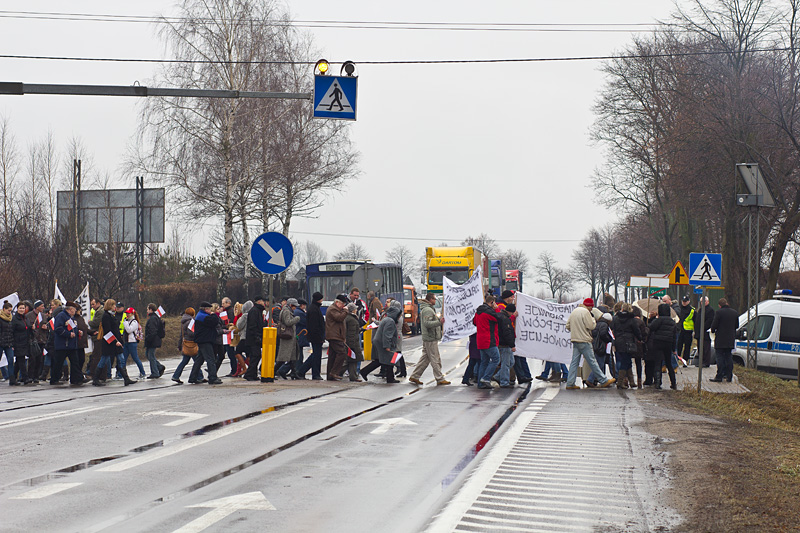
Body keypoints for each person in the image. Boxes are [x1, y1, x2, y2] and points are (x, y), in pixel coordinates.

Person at [565, 298, 615, 390]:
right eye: (591, 307)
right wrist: (592, 318)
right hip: (584, 340)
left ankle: (570, 383)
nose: (591, 309)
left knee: (574, 363)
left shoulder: (574, 311)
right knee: (593, 361)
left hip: (575, 340)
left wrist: (576, 330)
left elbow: (567, 326)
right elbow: (591, 326)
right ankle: (603, 380)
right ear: (589, 306)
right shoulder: (586, 313)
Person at [409, 292, 449, 386]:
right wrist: (439, 322)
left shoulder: (429, 309)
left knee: (425, 359)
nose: (435, 300)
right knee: (435, 358)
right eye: (434, 299)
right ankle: (439, 378)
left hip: (429, 337)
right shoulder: (428, 310)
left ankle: (415, 376)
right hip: (430, 338)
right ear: (430, 299)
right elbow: (427, 324)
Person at [93, 299, 136, 386]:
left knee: (121, 359)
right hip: (110, 343)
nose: (115, 307)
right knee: (103, 359)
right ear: (110, 306)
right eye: (113, 305)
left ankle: (126, 378)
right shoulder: (106, 316)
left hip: (116, 342)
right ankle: (95, 379)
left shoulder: (111, 315)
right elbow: (108, 331)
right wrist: (115, 341)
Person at [360, 304, 402, 383]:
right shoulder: (390, 322)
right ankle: (390, 378)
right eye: (398, 315)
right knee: (389, 360)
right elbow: (387, 335)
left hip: (378, 342)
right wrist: (387, 346)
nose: (399, 317)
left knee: (380, 360)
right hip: (383, 343)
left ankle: (365, 372)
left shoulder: (386, 319)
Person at [188, 302, 223, 385]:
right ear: (206, 309)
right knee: (210, 359)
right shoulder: (203, 316)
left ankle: (193, 377)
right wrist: (214, 314)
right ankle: (212, 377)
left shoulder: (201, 315)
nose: (211, 311)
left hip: (203, 340)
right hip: (205, 341)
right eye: (209, 309)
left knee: (199, 360)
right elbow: (214, 321)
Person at [51, 301, 84, 385]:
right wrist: (68, 334)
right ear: (70, 309)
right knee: (58, 363)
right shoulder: (61, 316)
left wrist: (77, 332)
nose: (75, 311)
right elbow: (58, 328)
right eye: (74, 309)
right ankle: (54, 379)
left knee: (75, 362)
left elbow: (73, 328)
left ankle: (76, 379)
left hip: (71, 345)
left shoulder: (71, 317)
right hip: (63, 345)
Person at [473, 294, 501, 390]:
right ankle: (486, 378)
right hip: (489, 340)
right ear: (492, 302)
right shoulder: (489, 312)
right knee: (496, 359)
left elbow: (474, 322)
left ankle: (481, 383)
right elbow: (499, 318)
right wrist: (496, 309)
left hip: (480, 340)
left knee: (484, 362)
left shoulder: (478, 312)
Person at [611, 302, 640, 389]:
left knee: (627, 361)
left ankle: (631, 382)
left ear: (622, 309)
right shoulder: (632, 319)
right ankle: (620, 382)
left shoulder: (615, 318)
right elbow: (636, 331)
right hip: (629, 342)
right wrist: (640, 338)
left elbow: (612, 327)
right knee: (625, 361)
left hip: (619, 342)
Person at [647, 303, 677, 390]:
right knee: (669, 363)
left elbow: (651, 327)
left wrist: (652, 318)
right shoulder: (672, 322)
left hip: (658, 343)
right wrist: (673, 348)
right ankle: (673, 383)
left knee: (658, 363)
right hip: (668, 343)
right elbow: (674, 336)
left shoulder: (658, 320)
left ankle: (657, 383)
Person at [710, 298, 739, 382]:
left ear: (719, 305)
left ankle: (719, 376)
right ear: (727, 303)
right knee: (728, 357)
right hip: (730, 339)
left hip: (720, 340)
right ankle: (729, 376)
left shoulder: (719, 312)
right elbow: (736, 326)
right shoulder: (735, 313)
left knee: (720, 357)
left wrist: (712, 330)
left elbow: (714, 325)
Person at [297, 292, 324, 380]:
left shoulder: (314, 308)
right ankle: (310, 373)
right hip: (316, 337)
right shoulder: (314, 309)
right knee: (316, 356)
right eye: (321, 299)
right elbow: (314, 325)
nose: (322, 300)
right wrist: (319, 336)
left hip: (315, 336)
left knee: (315, 355)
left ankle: (302, 371)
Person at [172, 307, 200, 384]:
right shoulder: (191, 321)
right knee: (197, 361)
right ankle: (200, 377)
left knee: (185, 361)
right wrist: (198, 335)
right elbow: (191, 333)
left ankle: (176, 376)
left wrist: (179, 345)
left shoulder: (184, 321)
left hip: (185, 343)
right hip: (192, 344)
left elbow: (182, 335)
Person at [276, 298, 302, 379]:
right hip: (287, 337)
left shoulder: (287, 310)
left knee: (292, 356)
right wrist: (296, 319)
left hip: (290, 337)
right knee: (284, 356)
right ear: (291, 305)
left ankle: (293, 372)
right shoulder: (286, 311)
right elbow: (288, 322)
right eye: (294, 306)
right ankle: (275, 371)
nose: (295, 308)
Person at [325, 295, 349, 381]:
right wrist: (346, 311)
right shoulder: (332, 309)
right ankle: (334, 372)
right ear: (337, 302)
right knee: (341, 353)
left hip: (336, 335)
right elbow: (339, 318)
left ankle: (330, 376)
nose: (343, 306)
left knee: (332, 355)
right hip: (334, 335)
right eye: (342, 304)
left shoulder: (337, 309)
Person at [243, 296, 267, 381]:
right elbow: (253, 325)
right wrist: (257, 336)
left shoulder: (257, 311)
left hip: (254, 337)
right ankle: (249, 374)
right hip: (253, 338)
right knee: (256, 356)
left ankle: (252, 374)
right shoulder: (254, 311)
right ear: (259, 301)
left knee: (255, 356)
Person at [587, 312, 614, 387]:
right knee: (599, 364)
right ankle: (590, 379)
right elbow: (603, 334)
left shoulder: (598, 323)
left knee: (599, 363)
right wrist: (609, 339)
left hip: (596, 345)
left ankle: (601, 380)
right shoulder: (604, 325)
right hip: (601, 346)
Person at [495, 302, 517, 388]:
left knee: (510, 362)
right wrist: (512, 345)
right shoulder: (505, 319)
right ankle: (504, 381)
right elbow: (507, 333)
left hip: (500, 342)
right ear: (510, 312)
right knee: (506, 363)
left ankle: (497, 376)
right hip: (505, 344)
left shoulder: (500, 316)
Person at [10, 301, 33, 385]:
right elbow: (11, 331)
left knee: (18, 362)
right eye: (20, 308)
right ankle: (25, 378)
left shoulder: (25, 318)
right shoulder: (14, 319)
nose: (22, 310)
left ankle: (13, 377)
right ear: (17, 309)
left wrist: (31, 328)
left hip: (25, 342)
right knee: (21, 360)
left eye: (23, 308)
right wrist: (12, 343)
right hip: (18, 342)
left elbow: (26, 327)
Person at [25, 300, 46, 382]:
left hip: (41, 340)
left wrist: (46, 327)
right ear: (37, 307)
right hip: (33, 340)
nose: (43, 308)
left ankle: (36, 376)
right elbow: (26, 326)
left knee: (39, 359)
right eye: (42, 306)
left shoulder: (43, 316)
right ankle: (30, 376)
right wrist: (31, 327)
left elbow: (46, 325)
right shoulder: (29, 315)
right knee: (32, 359)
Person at [122, 308, 147, 379]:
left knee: (135, 358)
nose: (127, 315)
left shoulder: (134, 322)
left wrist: (125, 323)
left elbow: (129, 330)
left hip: (132, 343)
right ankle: (122, 374)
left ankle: (143, 373)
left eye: (128, 313)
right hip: (126, 342)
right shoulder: (128, 321)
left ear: (132, 314)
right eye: (126, 313)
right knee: (123, 359)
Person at [343, 303, 364, 382]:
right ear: (353, 310)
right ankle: (338, 373)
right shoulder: (351, 319)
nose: (356, 310)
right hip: (353, 342)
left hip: (352, 341)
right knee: (352, 360)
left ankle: (353, 376)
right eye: (355, 309)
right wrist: (351, 345)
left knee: (351, 360)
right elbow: (351, 333)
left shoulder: (350, 318)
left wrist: (360, 330)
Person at [144, 303, 166, 378]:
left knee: (151, 356)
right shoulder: (155, 317)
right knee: (148, 355)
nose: (147, 311)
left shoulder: (153, 318)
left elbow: (152, 331)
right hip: (154, 340)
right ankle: (159, 367)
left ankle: (155, 372)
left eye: (147, 309)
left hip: (153, 340)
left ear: (151, 309)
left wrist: (148, 338)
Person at [694, 296, 715, 367]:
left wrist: (703, 327)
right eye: (701, 302)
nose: (703, 303)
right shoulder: (700, 309)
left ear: (708, 302)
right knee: (700, 348)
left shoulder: (710, 310)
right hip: (699, 333)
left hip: (705, 333)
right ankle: (701, 362)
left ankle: (706, 362)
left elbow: (709, 321)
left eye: (704, 301)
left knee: (706, 349)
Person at [293, 299, 309, 379]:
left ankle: (293, 371)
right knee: (299, 355)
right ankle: (297, 371)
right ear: (302, 305)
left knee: (297, 354)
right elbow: (306, 322)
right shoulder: (300, 313)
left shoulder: (296, 312)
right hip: (300, 335)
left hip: (298, 334)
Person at [1, 301, 16, 385]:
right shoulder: (1, 318)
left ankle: (12, 378)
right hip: (1, 343)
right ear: (4, 309)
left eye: (10, 311)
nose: (9, 312)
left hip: (9, 343)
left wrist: (12, 343)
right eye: (8, 310)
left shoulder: (11, 318)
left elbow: (12, 332)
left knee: (11, 360)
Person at [677, 295, 694, 365]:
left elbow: (695, 320)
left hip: (688, 331)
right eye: (683, 301)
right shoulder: (679, 309)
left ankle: (685, 361)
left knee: (687, 347)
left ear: (688, 301)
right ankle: (677, 360)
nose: (684, 303)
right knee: (678, 346)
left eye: (685, 301)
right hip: (680, 330)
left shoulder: (692, 310)